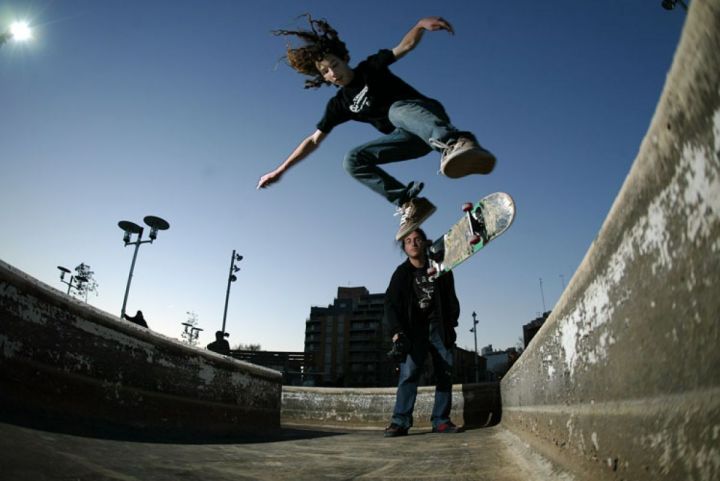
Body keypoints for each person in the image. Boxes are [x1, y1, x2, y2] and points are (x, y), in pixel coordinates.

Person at [257, 15, 496, 240]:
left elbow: (404, 46)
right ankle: (410, 203)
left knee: (395, 111)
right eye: (326, 72)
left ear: (344, 59)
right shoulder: (339, 104)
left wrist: (420, 25)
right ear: (324, 78)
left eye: (335, 65)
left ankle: (456, 142)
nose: (333, 73)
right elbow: (313, 141)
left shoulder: (369, 68)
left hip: (424, 115)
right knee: (352, 160)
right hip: (411, 140)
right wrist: (279, 171)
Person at [383, 228, 462, 436]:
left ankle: (441, 420)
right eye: (408, 241)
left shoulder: (440, 268)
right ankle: (400, 421)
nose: (413, 243)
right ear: (405, 247)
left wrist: (451, 324)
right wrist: (396, 332)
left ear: (425, 243)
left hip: (438, 327)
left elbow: (451, 297)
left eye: (417, 239)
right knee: (409, 373)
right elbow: (390, 305)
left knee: (444, 372)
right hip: (413, 330)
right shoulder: (401, 273)